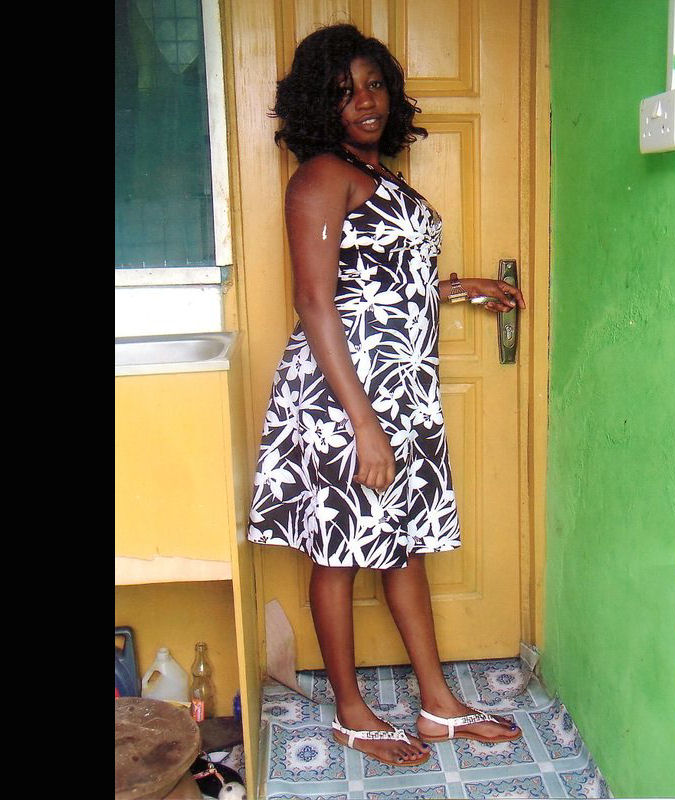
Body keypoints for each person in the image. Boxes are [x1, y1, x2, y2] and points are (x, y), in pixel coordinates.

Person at [248, 23, 527, 768]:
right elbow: (317, 302)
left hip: (399, 390)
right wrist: (364, 424)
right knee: (338, 552)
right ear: (321, 105)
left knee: (401, 546)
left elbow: (383, 281)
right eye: (345, 93)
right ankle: (350, 714)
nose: (366, 103)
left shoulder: (378, 175)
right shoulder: (320, 178)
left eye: (374, 86)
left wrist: (459, 287)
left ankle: (437, 705)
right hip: (343, 398)